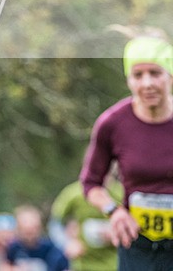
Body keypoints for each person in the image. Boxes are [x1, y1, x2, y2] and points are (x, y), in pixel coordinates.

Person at [79, 35, 173, 271]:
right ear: (128, 79)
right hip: (136, 243)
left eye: (155, 73)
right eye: (138, 75)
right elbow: (91, 183)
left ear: (170, 75)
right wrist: (114, 211)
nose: (147, 83)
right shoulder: (112, 123)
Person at [49, 178, 120, 271]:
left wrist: (118, 233)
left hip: (116, 265)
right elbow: (54, 223)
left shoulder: (121, 192)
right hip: (83, 265)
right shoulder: (73, 193)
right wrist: (67, 243)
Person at [4, 204, 69, 271]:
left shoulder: (51, 249)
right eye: (25, 231)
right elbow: (6, 265)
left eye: (32, 230)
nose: (29, 235)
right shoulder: (14, 248)